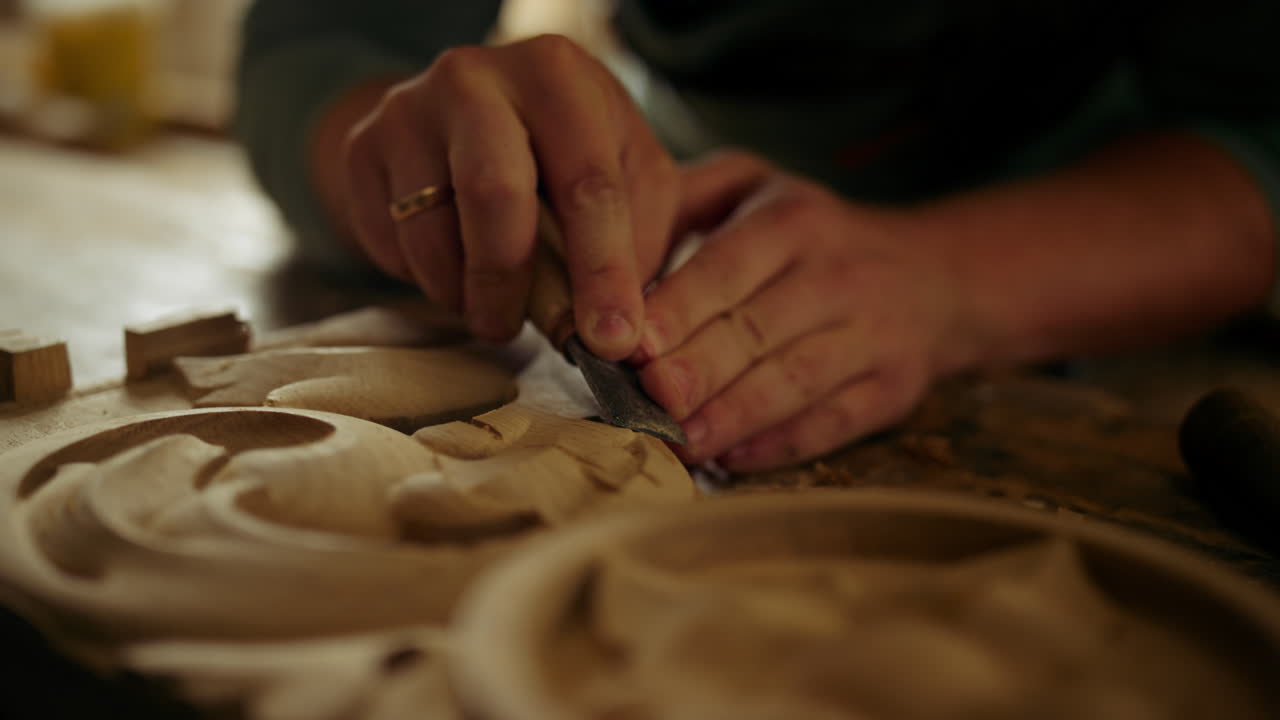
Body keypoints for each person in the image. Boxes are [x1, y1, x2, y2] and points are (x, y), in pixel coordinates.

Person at [235, 1, 1280, 472]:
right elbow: (318, 44)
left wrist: (944, 281)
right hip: (676, 209)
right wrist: (404, 164)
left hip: (1120, 251)